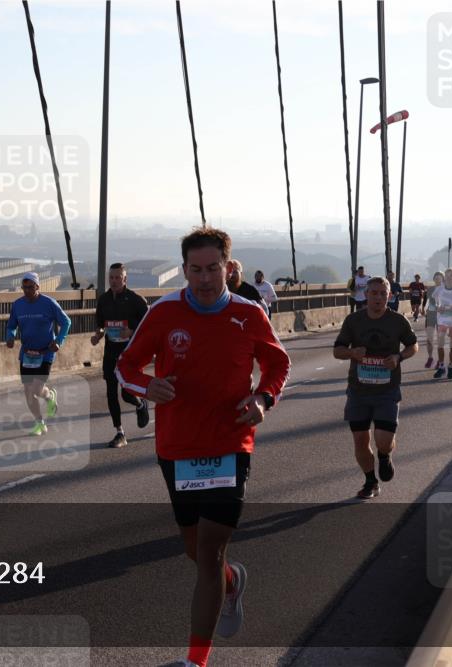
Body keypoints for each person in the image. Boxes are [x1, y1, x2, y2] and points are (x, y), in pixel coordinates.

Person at [115, 228, 290, 667]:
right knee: (195, 551)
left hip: (231, 443)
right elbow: (126, 365)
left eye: (214, 268)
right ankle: (232, 582)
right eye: (196, 269)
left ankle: (196, 661)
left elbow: (277, 362)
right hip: (177, 446)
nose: (205, 278)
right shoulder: (163, 312)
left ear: (229, 269)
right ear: (185, 269)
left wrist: (263, 398)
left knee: (209, 551)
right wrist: (146, 386)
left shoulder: (250, 314)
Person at [332, 277, 418, 500]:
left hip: (387, 390)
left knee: (383, 440)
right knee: (360, 439)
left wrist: (398, 357)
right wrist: (352, 353)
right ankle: (370, 481)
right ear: (366, 295)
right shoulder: (353, 320)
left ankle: (384, 456)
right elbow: (337, 350)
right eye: (374, 293)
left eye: (383, 293)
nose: (379, 297)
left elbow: (413, 345)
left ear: (389, 296)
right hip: (358, 391)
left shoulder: (398, 321)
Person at [90, 263, 150, 448]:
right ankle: (120, 433)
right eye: (111, 278)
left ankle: (140, 404)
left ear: (125, 279)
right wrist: (98, 335)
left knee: (126, 393)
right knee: (110, 392)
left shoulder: (136, 300)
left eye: (118, 277)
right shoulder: (104, 300)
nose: (114, 281)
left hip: (130, 354)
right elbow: (101, 323)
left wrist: (131, 333)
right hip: (110, 352)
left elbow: (149, 326)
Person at [6, 272, 71, 436]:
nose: (27, 291)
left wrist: (59, 341)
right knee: (28, 392)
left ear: (37, 286)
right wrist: (10, 337)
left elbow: (66, 322)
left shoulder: (49, 303)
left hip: (45, 352)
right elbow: (11, 325)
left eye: (30, 287)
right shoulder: (17, 305)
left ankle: (49, 395)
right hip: (27, 353)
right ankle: (39, 423)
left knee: (36, 389)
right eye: (24, 288)